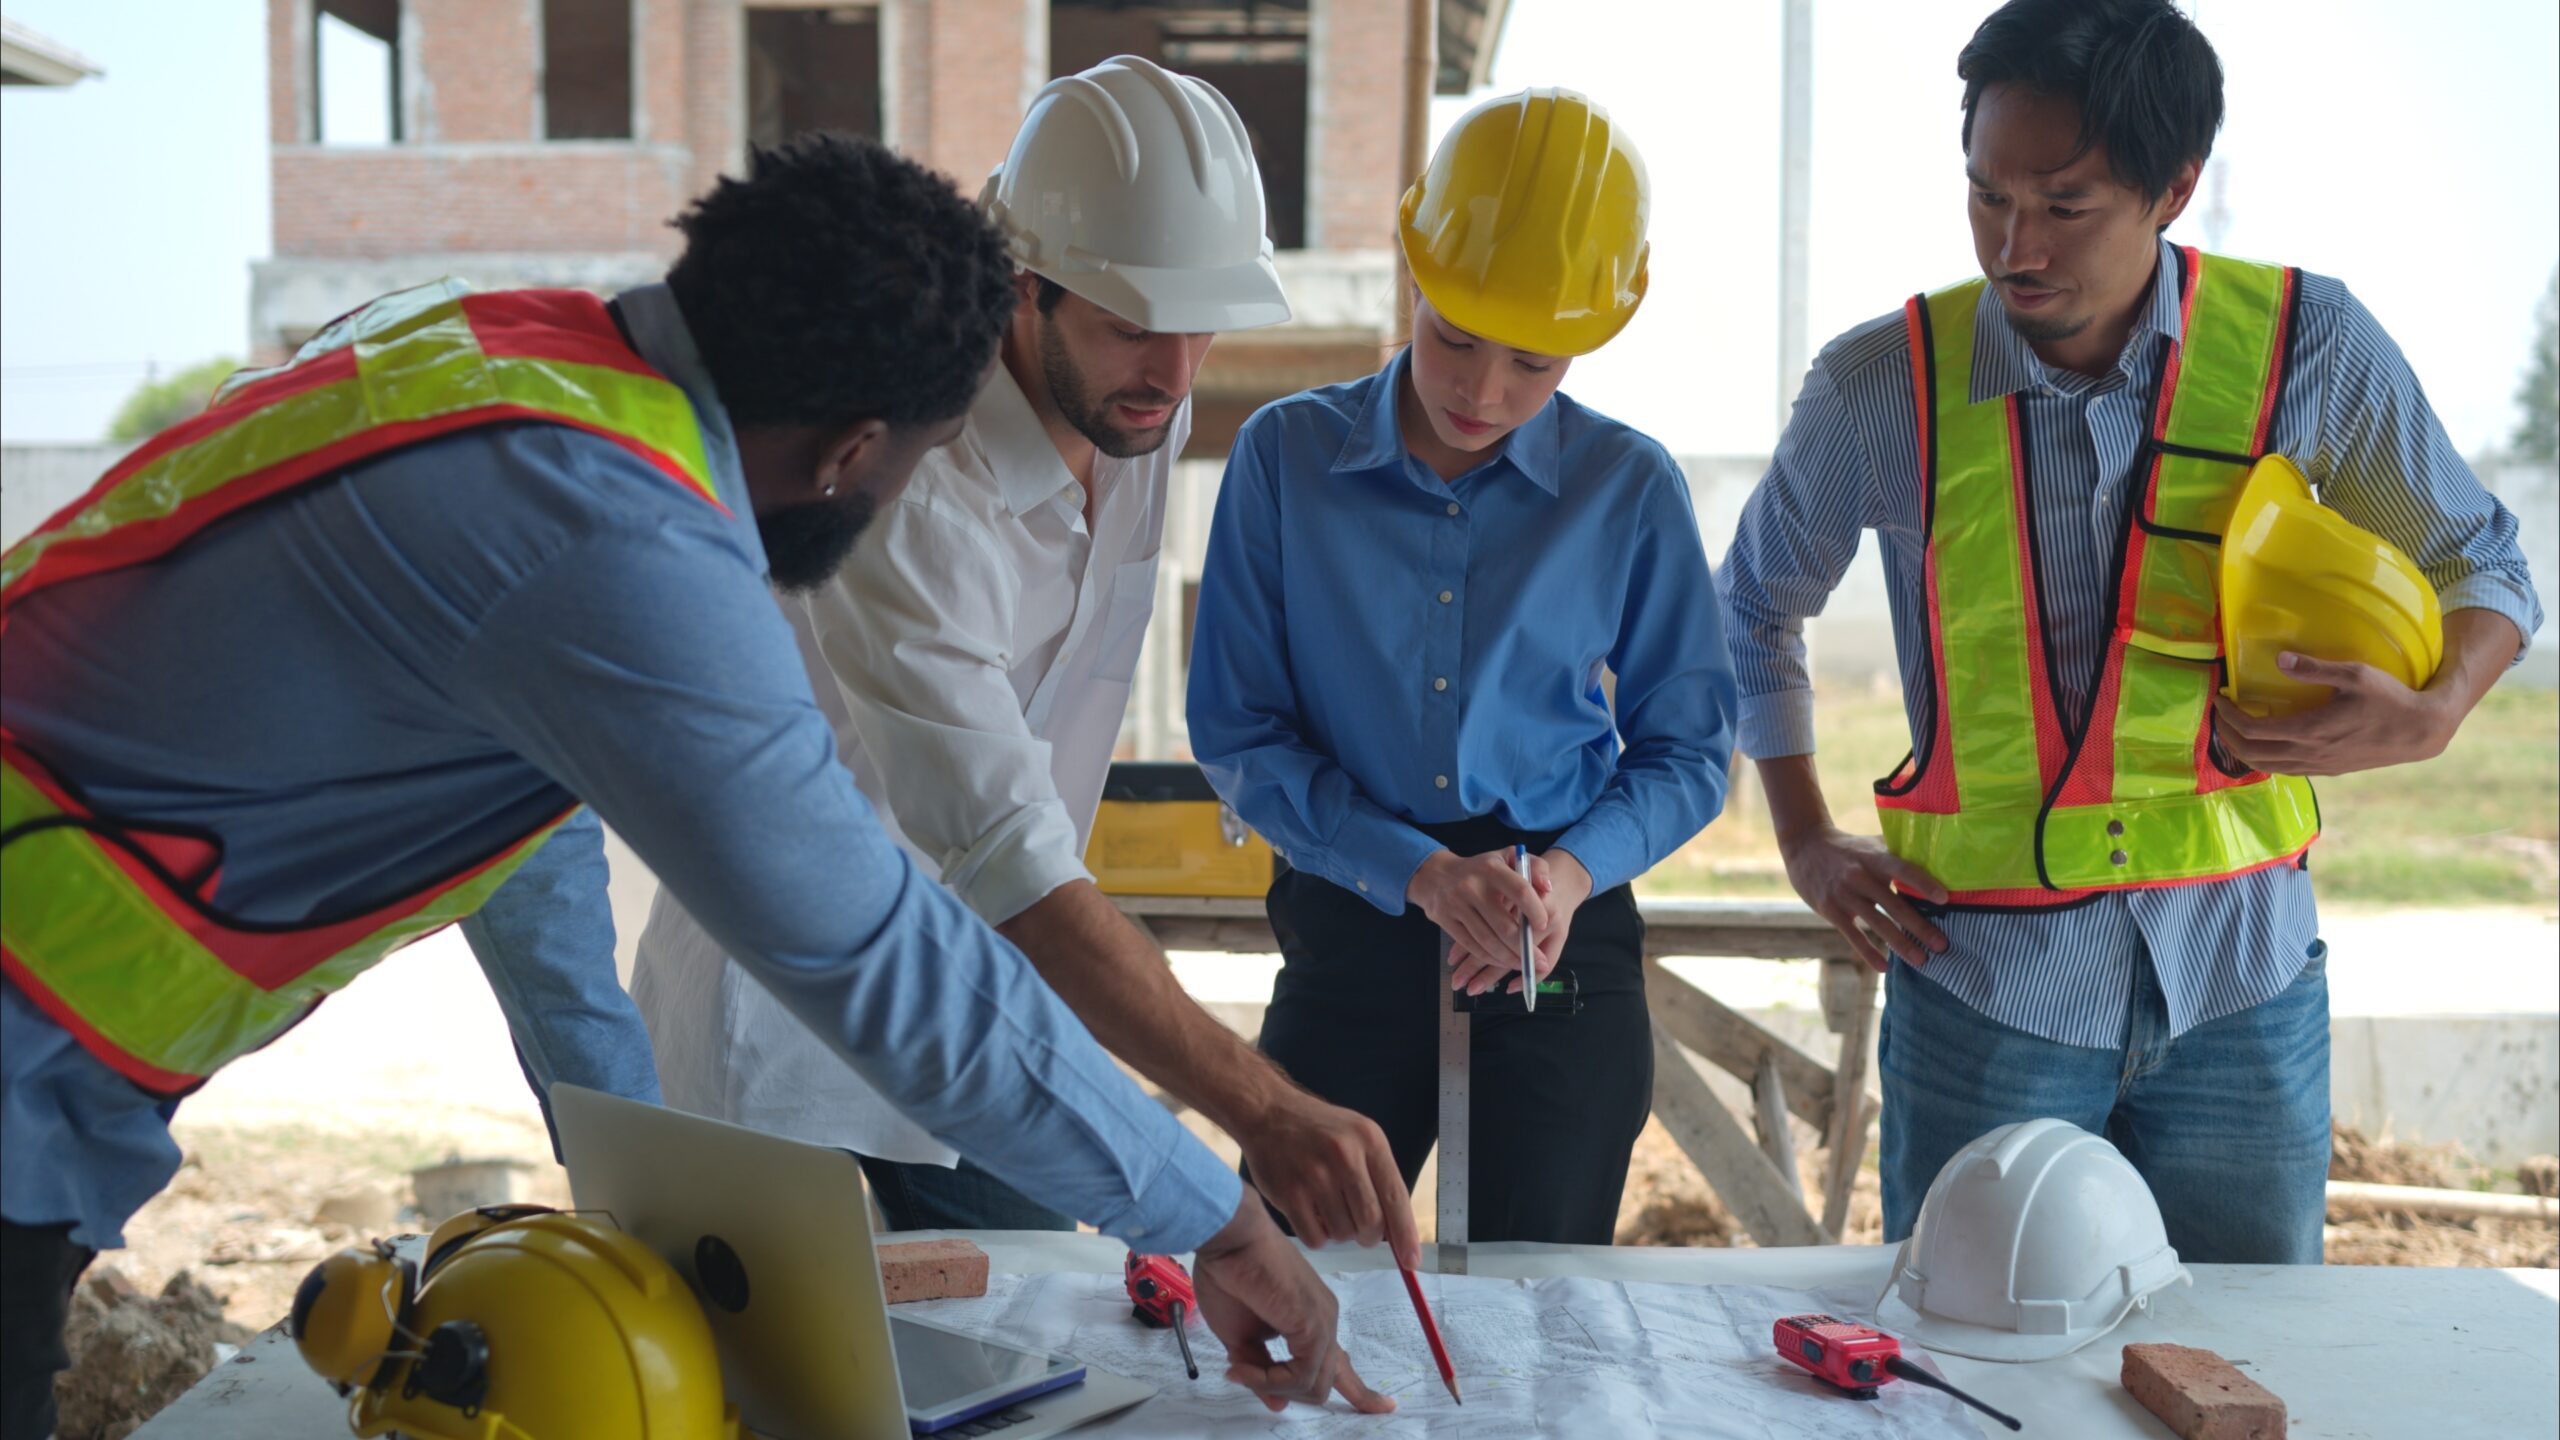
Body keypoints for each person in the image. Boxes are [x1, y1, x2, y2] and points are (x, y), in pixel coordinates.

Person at [0, 134, 1389, 1439]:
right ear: (855, 451)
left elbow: (523, 858)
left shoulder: (509, 363)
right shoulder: (623, 545)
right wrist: (1217, 1215)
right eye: (909, 470)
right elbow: (878, 954)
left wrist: (631, 1183)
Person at [485, 56, 1418, 1262]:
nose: (1176, 376)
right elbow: (1011, 860)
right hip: (789, 1037)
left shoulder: (1138, 398)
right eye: (1134, 327)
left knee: (1054, 1366)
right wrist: (1263, 1111)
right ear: (1022, 289)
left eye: (1201, 328)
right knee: (773, 1383)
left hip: (983, 1020)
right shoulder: (913, 487)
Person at [1716, 0, 2542, 1264]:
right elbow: (1753, 608)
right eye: (1986, 196)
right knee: (1971, 1373)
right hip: (1983, 990)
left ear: (2174, 187)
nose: (2014, 244)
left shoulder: (2306, 349)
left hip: (2244, 987)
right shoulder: (1881, 385)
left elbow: (2481, 555)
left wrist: (2438, 709)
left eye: (2063, 204)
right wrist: (1802, 840)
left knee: (2245, 1366)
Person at [1185, 88, 1738, 1247]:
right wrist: (1421, 875)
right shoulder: (1284, 457)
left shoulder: (1629, 491)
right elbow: (1240, 731)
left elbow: (1688, 751)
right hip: (1353, 921)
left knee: (1542, 1309)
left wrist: (1571, 878)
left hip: (1558, 933)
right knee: (1292, 1279)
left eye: (1533, 363)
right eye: (1453, 338)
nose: (1482, 392)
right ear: (1416, 277)